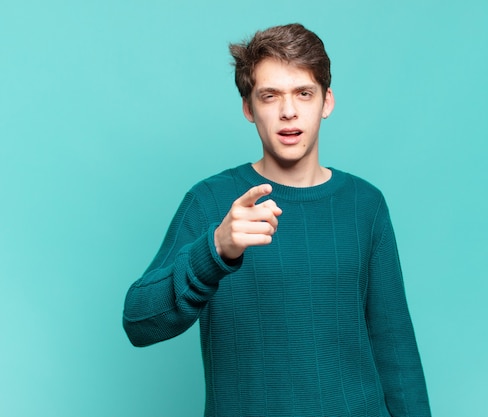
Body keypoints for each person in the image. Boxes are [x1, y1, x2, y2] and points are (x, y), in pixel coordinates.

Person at [123, 23, 431, 417]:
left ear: (327, 101)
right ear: (249, 109)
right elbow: (138, 321)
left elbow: (396, 350)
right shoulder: (210, 202)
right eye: (270, 96)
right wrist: (214, 249)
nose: (288, 111)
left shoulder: (365, 205)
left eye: (303, 93)